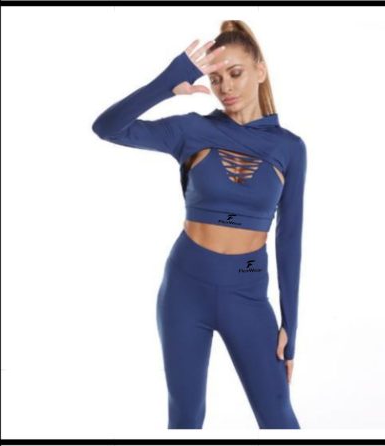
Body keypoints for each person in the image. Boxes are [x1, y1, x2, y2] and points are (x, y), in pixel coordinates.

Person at [92, 20, 306, 429]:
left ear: (260, 70)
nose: (226, 87)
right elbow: (107, 128)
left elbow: (290, 238)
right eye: (216, 78)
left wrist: (289, 325)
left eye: (236, 73)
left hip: (247, 291)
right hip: (185, 288)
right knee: (186, 418)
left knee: (278, 418)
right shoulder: (192, 130)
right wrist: (168, 82)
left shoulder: (290, 148)